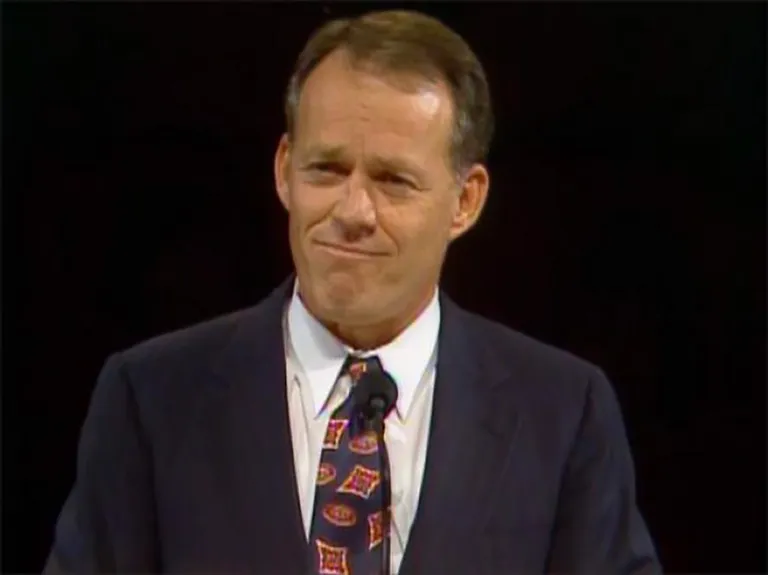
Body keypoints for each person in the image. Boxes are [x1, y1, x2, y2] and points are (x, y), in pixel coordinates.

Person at [44, 9, 661, 574]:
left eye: (393, 181)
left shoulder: (561, 414)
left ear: (466, 201)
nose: (353, 211)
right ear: (284, 170)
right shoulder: (152, 400)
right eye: (327, 169)